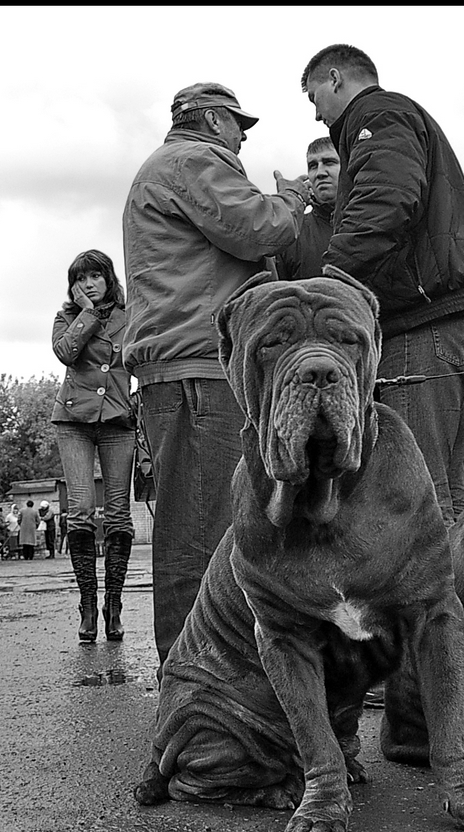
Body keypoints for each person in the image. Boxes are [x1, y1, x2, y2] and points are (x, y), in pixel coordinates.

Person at [123, 82, 308, 668]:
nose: (244, 135)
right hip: (197, 362)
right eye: (236, 122)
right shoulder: (194, 161)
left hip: (178, 363)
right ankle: (196, 672)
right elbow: (257, 228)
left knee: (191, 520)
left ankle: (191, 666)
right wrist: (291, 201)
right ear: (207, 118)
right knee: (205, 526)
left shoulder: (168, 166)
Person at [302, 44, 464, 526]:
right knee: (445, 492)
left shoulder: (377, 113)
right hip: (449, 318)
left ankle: (432, 603)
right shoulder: (397, 117)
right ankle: (459, 599)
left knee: (417, 498)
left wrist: (329, 286)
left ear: (335, 78)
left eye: (314, 99)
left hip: (422, 324)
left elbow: (385, 201)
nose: (316, 115)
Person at [52, 249, 135, 643]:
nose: (88, 284)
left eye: (95, 276)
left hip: (119, 421)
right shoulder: (66, 317)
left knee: (119, 515)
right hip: (73, 422)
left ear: (108, 279)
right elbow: (66, 353)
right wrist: (85, 313)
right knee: (81, 511)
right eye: (80, 278)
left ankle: (113, 605)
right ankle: (87, 605)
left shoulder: (129, 315)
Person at [276, 136, 339, 280]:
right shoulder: (292, 234)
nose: (320, 173)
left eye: (329, 162)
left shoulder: (374, 225)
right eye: (313, 166)